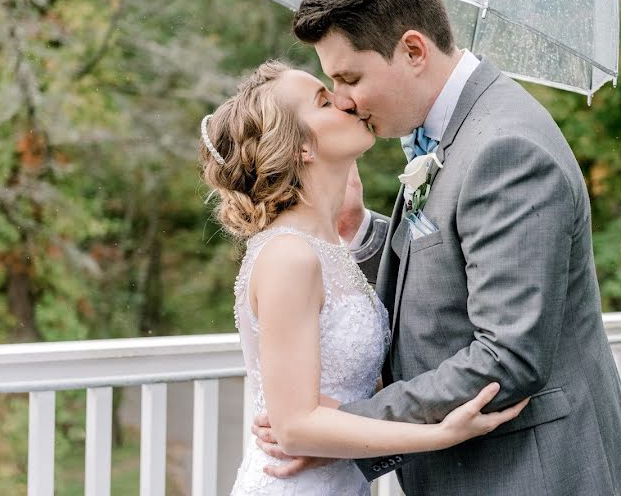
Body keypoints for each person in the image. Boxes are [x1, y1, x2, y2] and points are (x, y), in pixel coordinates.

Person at [252, 0, 621, 495]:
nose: (344, 99)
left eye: (350, 78)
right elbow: (445, 276)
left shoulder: (505, 149)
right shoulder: (444, 133)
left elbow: (507, 356)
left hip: (530, 475)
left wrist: (352, 423)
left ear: (413, 51)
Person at [199, 61, 529, 496]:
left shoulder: (330, 248)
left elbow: (343, 385)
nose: (344, 101)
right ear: (302, 147)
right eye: (323, 100)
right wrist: (444, 434)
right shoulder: (288, 256)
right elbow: (296, 427)